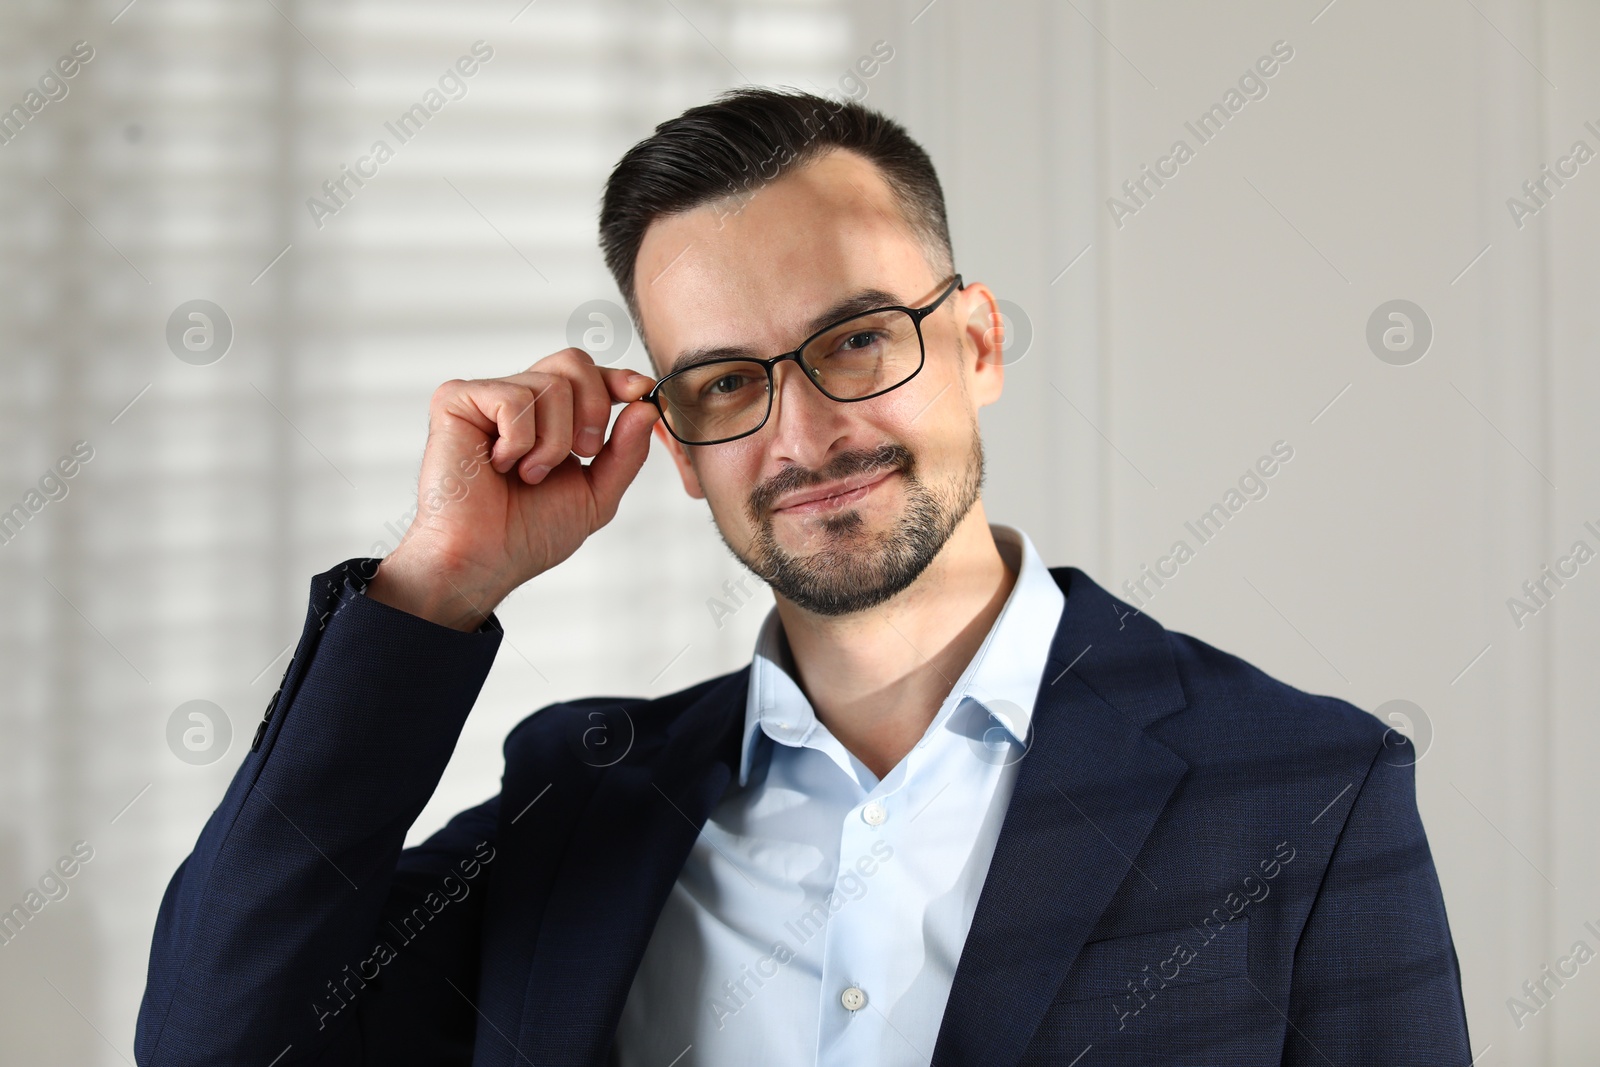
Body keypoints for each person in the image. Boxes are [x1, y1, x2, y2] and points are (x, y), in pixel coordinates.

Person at [134, 87, 1471, 1067]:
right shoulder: (582, 796)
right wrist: (433, 590)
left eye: (855, 341)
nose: (803, 434)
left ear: (980, 341)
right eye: (725, 381)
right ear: (674, 444)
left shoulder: (1305, 795)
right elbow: (211, 1039)